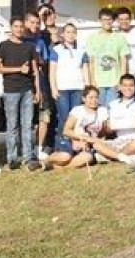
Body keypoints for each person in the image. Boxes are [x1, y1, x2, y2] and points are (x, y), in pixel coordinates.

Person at [0, 17, 43, 171]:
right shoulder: (3, 46)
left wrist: (38, 90)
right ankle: (12, 158)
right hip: (10, 91)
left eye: (21, 27)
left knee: (27, 125)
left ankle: (29, 157)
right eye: (16, 26)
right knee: (12, 125)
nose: (19, 29)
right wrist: (18, 69)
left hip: (27, 90)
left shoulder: (29, 46)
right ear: (11, 27)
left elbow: (35, 70)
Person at [45, 86, 107, 170]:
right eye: (91, 98)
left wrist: (93, 141)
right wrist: (82, 138)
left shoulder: (102, 110)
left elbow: (104, 131)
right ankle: (45, 161)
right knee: (65, 157)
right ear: (84, 99)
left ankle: (62, 168)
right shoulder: (77, 110)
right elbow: (66, 131)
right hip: (71, 140)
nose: (94, 100)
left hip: (88, 145)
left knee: (87, 157)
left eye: (96, 97)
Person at [50, 23, 90, 153]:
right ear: (62, 34)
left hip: (78, 88)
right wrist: (53, 89)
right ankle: (62, 145)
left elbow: (85, 70)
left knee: (76, 118)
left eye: (73, 32)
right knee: (64, 117)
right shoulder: (56, 50)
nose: (71, 35)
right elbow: (52, 71)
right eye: (68, 32)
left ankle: (76, 145)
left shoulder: (82, 50)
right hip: (62, 88)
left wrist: (87, 89)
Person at [98, 74, 135, 165]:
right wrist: (108, 127)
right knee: (97, 145)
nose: (128, 88)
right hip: (120, 141)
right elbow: (108, 130)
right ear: (120, 87)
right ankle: (122, 157)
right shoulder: (112, 105)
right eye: (125, 85)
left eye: (131, 85)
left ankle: (111, 156)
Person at [24, 10, 55, 159]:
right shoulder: (20, 40)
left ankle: (40, 147)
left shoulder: (41, 41)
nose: (35, 26)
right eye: (32, 22)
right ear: (25, 23)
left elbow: (44, 61)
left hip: (41, 82)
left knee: (44, 115)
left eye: (37, 23)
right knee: (27, 119)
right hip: (24, 84)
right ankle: (26, 149)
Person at [85, 8, 129, 105]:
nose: (107, 22)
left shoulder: (119, 38)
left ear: (113, 21)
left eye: (109, 19)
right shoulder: (92, 38)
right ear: (99, 21)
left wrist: (121, 82)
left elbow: (123, 61)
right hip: (98, 83)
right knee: (99, 111)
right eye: (104, 19)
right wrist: (93, 82)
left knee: (112, 110)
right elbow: (91, 62)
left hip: (114, 83)